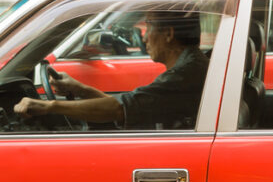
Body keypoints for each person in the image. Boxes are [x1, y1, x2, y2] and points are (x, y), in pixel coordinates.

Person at [14, 11, 208, 130]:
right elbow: (130, 106)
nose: (145, 37)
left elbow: (119, 108)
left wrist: (50, 106)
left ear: (168, 34)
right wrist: (81, 90)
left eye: (148, 27)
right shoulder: (189, 67)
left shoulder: (184, 76)